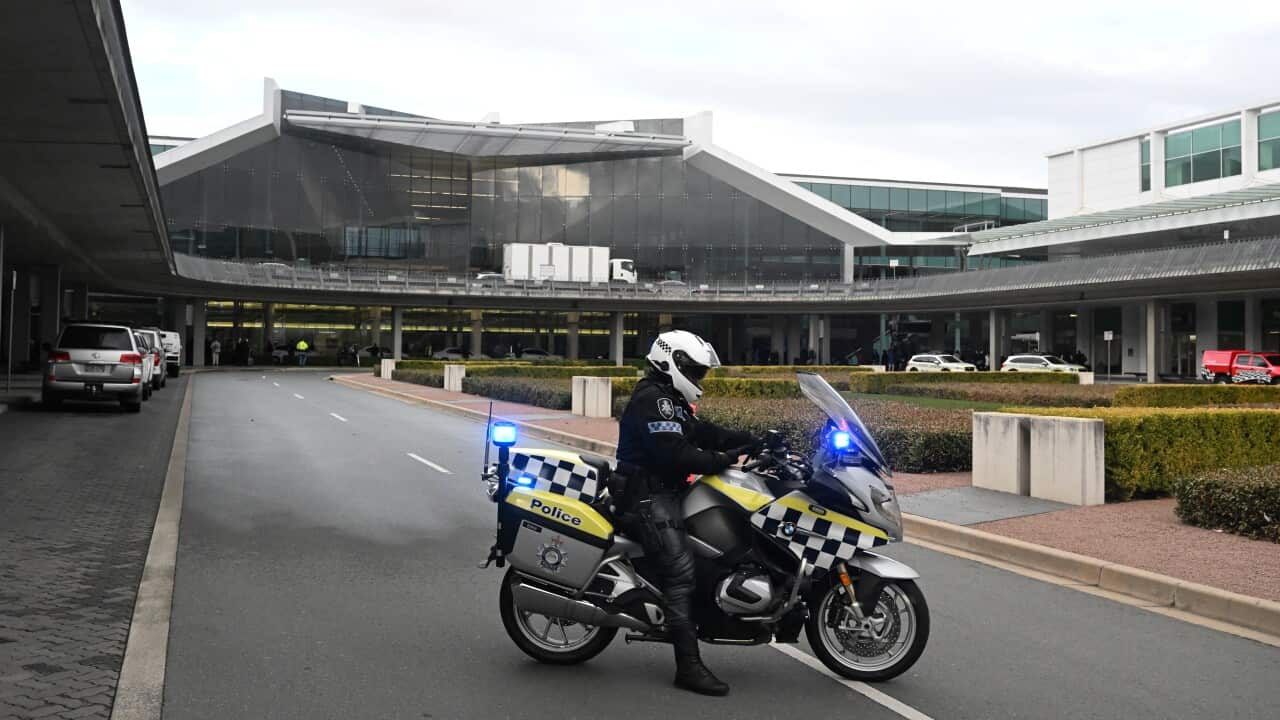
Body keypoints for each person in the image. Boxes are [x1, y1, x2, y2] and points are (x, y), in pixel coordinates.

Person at [615, 330, 758, 697]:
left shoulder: (670, 399)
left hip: (666, 490)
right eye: (693, 370)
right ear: (672, 362)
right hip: (646, 496)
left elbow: (702, 432)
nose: (698, 377)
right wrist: (722, 459)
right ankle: (688, 667)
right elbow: (676, 454)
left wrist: (750, 439)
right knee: (680, 572)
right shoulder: (653, 399)